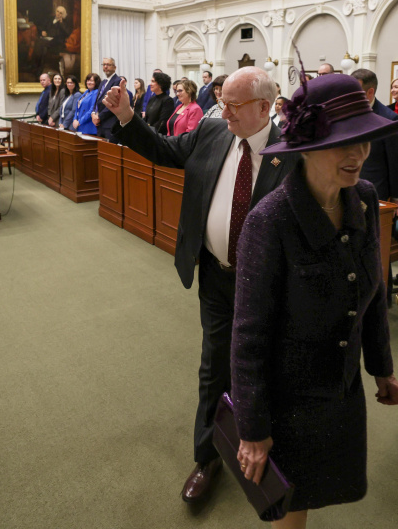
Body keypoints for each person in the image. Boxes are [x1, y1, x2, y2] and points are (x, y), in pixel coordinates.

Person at [101, 67, 300, 504]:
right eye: (220, 100)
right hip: (216, 276)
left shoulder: (294, 152)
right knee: (214, 368)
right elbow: (163, 149)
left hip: (267, 289)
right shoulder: (211, 133)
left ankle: (267, 448)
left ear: (265, 108)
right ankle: (207, 457)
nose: (222, 110)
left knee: (266, 367)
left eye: (233, 104)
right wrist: (129, 119)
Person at [231, 72, 398, 525]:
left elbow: (371, 293)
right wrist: (253, 432)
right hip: (287, 399)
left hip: (340, 387)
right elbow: (249, 336)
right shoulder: (269, 222)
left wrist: (382, 367)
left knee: (314, 492)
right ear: (307, 147)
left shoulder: (365, 199)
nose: (359, 156)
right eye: (343, 144)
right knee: (290, 505)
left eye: (365, 141)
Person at [351, 68, 398, 208]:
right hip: (345, 187)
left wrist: (396, 197)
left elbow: (397, 161)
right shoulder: (346, 113)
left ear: (370, 92)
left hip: (374, 191)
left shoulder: (389, 119)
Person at [91, 57, 125, 140]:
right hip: (100, 125)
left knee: (110, 151)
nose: (105, 67)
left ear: (114, 67)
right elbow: (97, 100)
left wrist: (99, 117)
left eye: (108, 65)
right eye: (104, 64)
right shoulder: (103, 82)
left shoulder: (118, 81)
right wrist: (93, 113)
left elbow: (113, 102)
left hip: (110, 124)